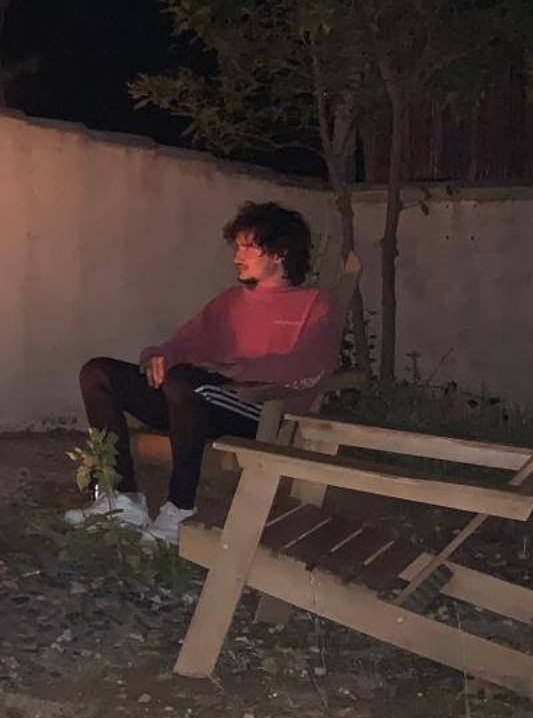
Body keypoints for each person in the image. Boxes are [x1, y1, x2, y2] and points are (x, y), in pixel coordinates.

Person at [67, 202, 341, 544]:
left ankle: (180, 509)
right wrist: (161, 355)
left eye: (248, 247)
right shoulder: (231, 301)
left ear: (280, 253)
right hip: (197, 401)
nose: (237, 257)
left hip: (260, 409)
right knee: (99, 373)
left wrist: (239, 369)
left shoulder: (316, 304)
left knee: (186, 382)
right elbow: (187, 341)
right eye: (237, 247)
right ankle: (122, 499)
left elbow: (311, 365)